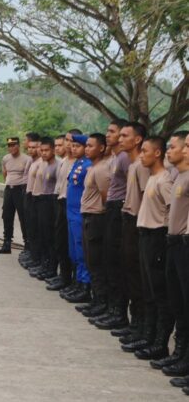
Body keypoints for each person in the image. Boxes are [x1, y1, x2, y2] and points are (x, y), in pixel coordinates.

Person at [132, 136, 174, 362]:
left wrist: (164, 238)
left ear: (157, 153)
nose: (141, 155)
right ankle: (148, 336)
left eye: (145, 151)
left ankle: (160, 343)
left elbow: (172, 210)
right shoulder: (152, 177)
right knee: (147, 290)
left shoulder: (164, 180)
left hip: (157, 237)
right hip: (145, 235)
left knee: (159, 293)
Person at [156, 131, 189, 377]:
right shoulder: (179, 174)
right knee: (178, 301)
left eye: (187, 146)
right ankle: (180, 354)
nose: (184, 150)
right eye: (184, 145)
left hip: (184, 242)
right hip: (174, 241)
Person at [93, 119, 130, 331]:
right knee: (108, 260)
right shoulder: (116, 156)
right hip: (112, 208)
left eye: (113, 132)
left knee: (116, 262)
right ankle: (111, 308)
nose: (109, 135)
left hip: (119, 209)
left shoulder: (125, 158)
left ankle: (119, 313)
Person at [119, 122, 151, 352]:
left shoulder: (142, 166)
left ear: (137, 140)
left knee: (138, 278)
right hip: (128, 218)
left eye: (125, 135)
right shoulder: (133, 165)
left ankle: (141, 327)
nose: (121, 139)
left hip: (138, 223)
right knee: (129, 273)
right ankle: (135, 323)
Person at [78, 133, 111, 321]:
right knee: (91, 261)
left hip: (96, 218)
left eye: (91, 146)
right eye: (87, 145)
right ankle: (96, 300)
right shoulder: (93, 167)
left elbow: (106, 197)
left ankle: (102, 302)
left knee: (96, 263)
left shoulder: (101, 170)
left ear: (101, 148)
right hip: (88, 216)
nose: (87, 148)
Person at [46, 130, 80, 291]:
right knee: (60, 241)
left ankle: (73, 280)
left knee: (71, 244)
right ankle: (64, 276)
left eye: (70, 141)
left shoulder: (79, 163)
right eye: (65, 141)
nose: (67, 144)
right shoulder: (65, 161)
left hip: (71, 205)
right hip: (59, 201)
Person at [61, 134, 92, 303]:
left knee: (81, 252)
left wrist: (75, 135)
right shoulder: (77, 163)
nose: (74, 148)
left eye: (78, 146)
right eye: (72, 145)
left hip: (79, 213)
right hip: (70, 212)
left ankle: (85, 285)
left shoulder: (88, 165)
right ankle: (77, 282)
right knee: (73, 252)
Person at [30, 137, 59, 279]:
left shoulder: (57, 166)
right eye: (42, 150)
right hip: (42, 200)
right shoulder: (46, 165)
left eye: (47, 150)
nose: (43, 153)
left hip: (51, 202)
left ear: (53, 150)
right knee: (43, 235)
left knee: (50, 237)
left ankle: (52, 268)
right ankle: (44, 264)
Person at [0, 137, 30, 254]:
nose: (12, 148)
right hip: (9, 189)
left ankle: (27, 244)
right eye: (9, 145)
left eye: (14, 145)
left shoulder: (26, 159)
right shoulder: (5, 159)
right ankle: (7, 243)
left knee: (23, 217)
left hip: (20, 190)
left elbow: (28, 177)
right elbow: (5, 173)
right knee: (7, 216)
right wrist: (8, 184)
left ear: (18, 145)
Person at [19, 134, 42, 269]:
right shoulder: (32, 161)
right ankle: (31, 253)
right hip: (28, 194)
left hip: (39, 198)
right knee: (29, 226)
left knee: (38, 230)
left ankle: (38, 258)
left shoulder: (42, 163)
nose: (32, 150)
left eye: (35, 147)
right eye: (30, 147)